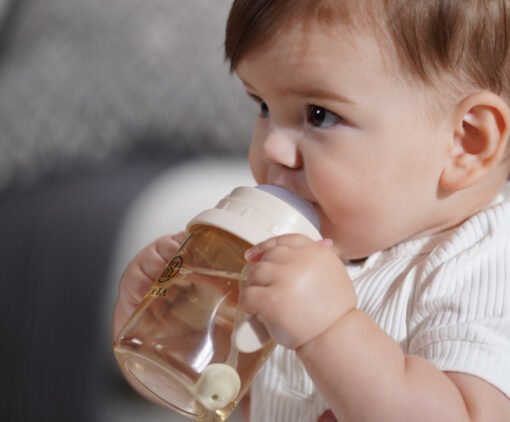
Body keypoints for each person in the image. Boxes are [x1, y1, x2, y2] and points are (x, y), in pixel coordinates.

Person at [113, 1, 510, 420]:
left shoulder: (484, 261)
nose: (271, 147)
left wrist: (329, 331)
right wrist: (173, 325)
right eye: (263, 106)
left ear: (467, 142)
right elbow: (241, 401)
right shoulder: (320, 253)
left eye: (319, 115)